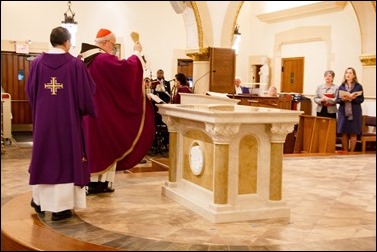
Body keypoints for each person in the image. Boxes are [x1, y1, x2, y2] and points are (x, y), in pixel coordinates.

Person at [25, 27, 96, 221]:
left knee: (44, 156)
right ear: (67, 42)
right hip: (68, 123)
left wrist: (43, 108)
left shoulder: (37, 64)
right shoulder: (75, 65)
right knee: (65, 157)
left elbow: (30, 92)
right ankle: (61, 208)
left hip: (44, 123)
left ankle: (38, 200)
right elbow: (85, 96)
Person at [79, 28, 155, 194]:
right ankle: (98, 183)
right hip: (103, 113)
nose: (113, 49)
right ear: (105, 43)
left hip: (90, 112)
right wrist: (136, 53)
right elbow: (126, 69)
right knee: (104, 147)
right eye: (113, 45)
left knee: (95, 147)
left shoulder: (84, 59)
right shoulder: (102, 60)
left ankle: (97, 182)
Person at [336, 67, 364, 152]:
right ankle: (345, 151)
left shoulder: (358, 86)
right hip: (343, 111)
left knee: (353, 131)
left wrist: (353, 98)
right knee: (343, 132)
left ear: (354, 75)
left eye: (350, 73)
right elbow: (337, 100)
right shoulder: (341, 86)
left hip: (355, 111)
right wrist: (343, 99)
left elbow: (361, 99)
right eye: (346, 73)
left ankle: (351, 152)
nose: (348, 74)